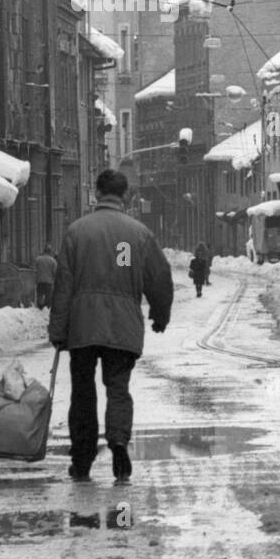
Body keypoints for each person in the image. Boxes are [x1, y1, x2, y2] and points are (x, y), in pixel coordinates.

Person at [49, 169, 173, 484]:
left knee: (83, 392)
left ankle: (82, 458)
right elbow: (159, 278)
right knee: (118, 388)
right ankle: (118, 440)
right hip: (122, 326)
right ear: (126, 196)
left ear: (96, 194)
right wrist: (160, 313)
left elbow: (63, 285)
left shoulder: (77, 232)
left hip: (83, 327)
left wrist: (58, 329)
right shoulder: (137, 234)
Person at [34, 244, 57, 310]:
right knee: (48, 297)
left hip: (39, 281)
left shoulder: (38, 259)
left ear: (44, 251)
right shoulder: (53, 261)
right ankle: (46, 308)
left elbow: (34, 270)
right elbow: (55, 272)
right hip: (49, 282)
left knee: (40, 295)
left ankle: (39, 308)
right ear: (50, 252)